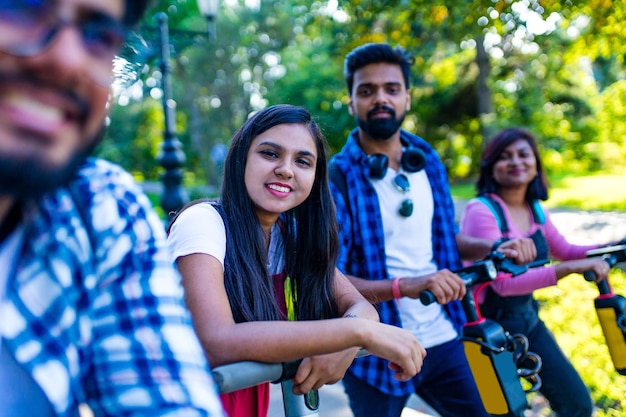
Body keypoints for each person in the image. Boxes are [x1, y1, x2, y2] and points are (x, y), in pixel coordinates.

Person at [0, 1, 225, 416]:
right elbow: (217, 336)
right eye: (22, 7)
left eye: (99, 34)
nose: (68, 60)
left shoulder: (99, 206)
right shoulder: (204, 222)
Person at [167, 104, 427, 417]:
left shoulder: (287, 237)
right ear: (241, 159)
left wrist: (343, 342)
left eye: (302, 161)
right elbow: (216, 341)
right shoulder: (204, 222)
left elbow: (360, 307)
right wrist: (357, 334)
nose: (286, 169)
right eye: (270, 154)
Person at [328, 42, 508, 417]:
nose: (380, 98)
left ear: (407, 98)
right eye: (366, 91)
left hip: (446, 334)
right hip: (376, 350)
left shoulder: (426, 159)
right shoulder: (335, 177)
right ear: (351, 102)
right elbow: (332, 278)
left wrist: (497, 245)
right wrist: (405, 286)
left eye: (391, 89)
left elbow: (443, 239)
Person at [459, 127, 618, 417]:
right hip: (490, 330)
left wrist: (613, 246)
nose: (516, 162)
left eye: (523, 154)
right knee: (508, 411)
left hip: (527, 321)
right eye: (505, 157)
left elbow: (567, 251)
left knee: (577, 403)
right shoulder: (481, 210)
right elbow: (504, 285)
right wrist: (567, 270)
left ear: (536, 164)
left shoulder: (535, 210)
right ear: (491, 167)